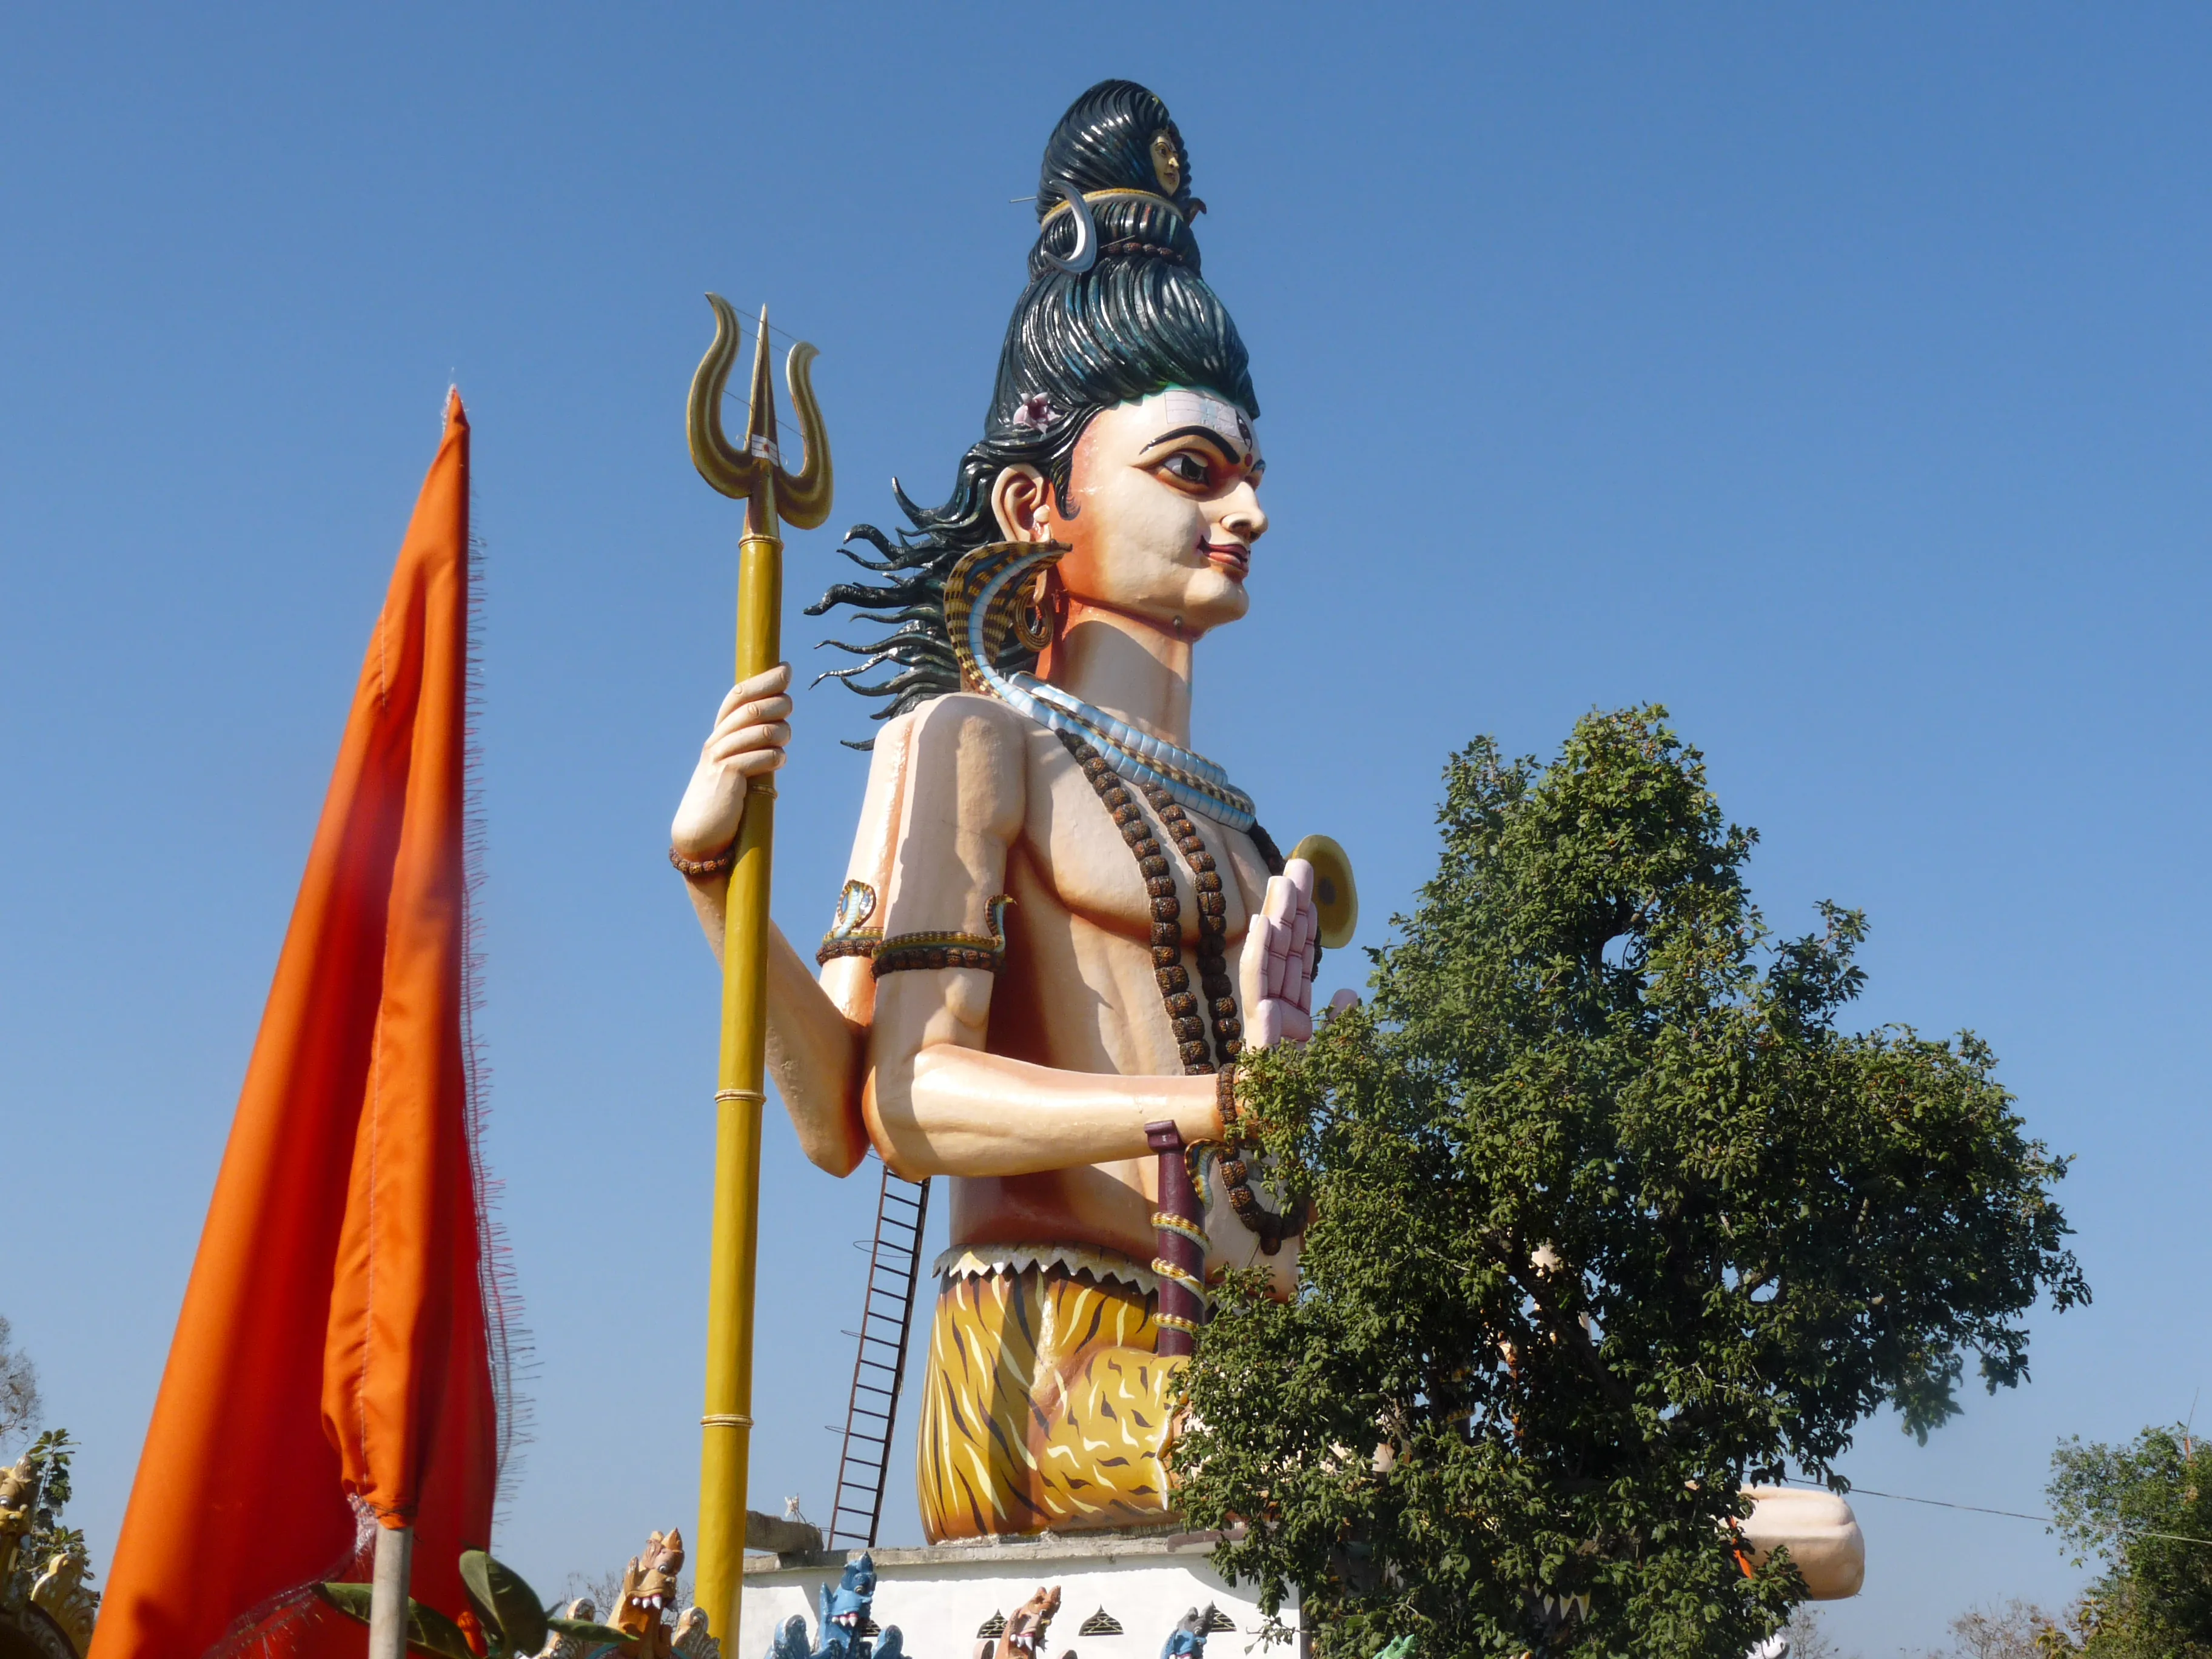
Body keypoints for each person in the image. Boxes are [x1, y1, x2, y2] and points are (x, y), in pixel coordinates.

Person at [670, 81, 1326, 1543]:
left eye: (1254, 476)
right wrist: (719, 877)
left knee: (1714, 1515)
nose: (1250, 514)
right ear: (1039, 506)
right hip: (1051, 1364)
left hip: (1255, 1362)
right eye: (1193, 471)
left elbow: (1281, 1201)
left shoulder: (1246, 830)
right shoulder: (974, 745)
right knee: (1382, 1484)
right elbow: (881, 1109)